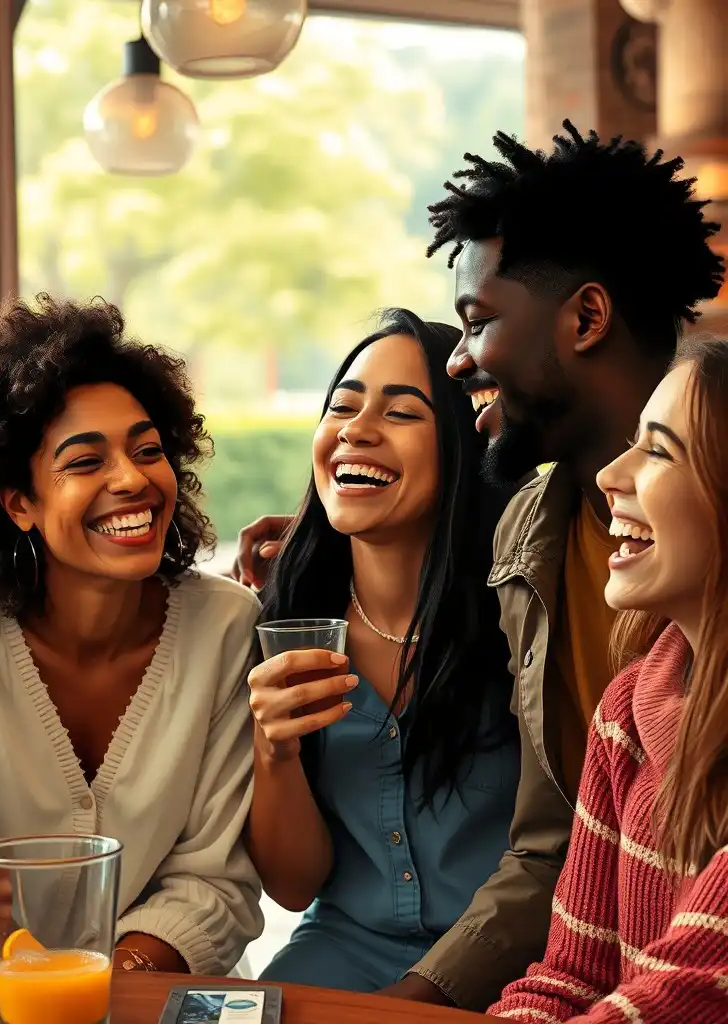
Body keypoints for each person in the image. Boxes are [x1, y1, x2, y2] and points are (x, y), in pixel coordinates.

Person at [230, 122, 725, 1009]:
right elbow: (556, 854)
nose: (460, 361)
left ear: (585, 317)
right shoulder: (529, 542)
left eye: (477, 322)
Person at [0, 294, 263, 977]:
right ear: (19, 502)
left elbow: (216, 882)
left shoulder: (227, 628)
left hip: (162, 992)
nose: (133, 479)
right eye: (85, 462)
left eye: (149, 451)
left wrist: (107, 983)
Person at [246, 309, 518, 994]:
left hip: (512, 960)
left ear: (460, 444)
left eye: (401, 414)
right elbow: (292, 885)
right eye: (341, 407)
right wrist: (273, 748)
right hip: (341, 951)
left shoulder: (521, 616)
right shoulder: (288, 624)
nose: (355, 430)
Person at [492, 336, 728, 1023]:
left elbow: (675, 998)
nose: (610, 475)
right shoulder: (629, 707)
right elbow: (569, 973)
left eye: (656, 450)